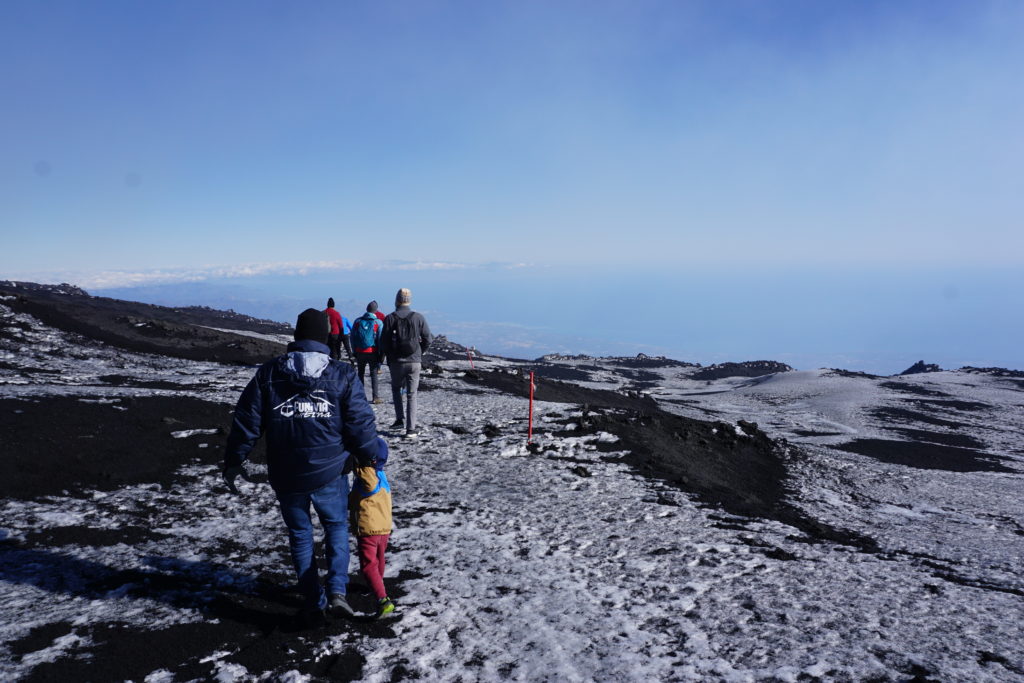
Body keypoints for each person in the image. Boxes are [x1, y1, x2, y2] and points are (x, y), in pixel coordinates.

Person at [222, 308, 380, 626]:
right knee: (335, 527)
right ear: (325, 337)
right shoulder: (342, 374)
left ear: (296, 337)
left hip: (286, 473)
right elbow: (361, 425)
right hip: (331, 472)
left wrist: (234, 460)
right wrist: (369, 457)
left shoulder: (269, 374)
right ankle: (336, 592)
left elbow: (247, 423)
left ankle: (312, 599)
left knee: (299, 534)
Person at [350, 437, 396, 619]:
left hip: (369, 529)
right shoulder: (381, 475)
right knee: (379, 559)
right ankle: (378, 585)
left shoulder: (368, 476)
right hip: (383, 528)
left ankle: (383, 600)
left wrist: (358, 461)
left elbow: (366, 482)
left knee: (368, 565)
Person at [380, 288, 433, 439]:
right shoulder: (418, 317)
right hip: (414, 361)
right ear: (409, 300)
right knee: (412, 394)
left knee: (396, 389)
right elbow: (428, 339)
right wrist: (419, 352)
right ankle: (410, 429)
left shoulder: (390, 318)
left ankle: (399, 420)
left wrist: (390, 356)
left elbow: (383, 342)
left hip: (396, 362)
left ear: (396, 300)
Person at [352, 302, 384, 404]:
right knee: (373, 374)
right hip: (372, 351)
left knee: (360, 373)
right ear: (376, 310)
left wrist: (354, 351)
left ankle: (361, 396)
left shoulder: (357, 321)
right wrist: (380, 354)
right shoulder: (378, 322)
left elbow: (352, 338)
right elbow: (380, 339)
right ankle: (375, 397)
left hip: (360, 351)